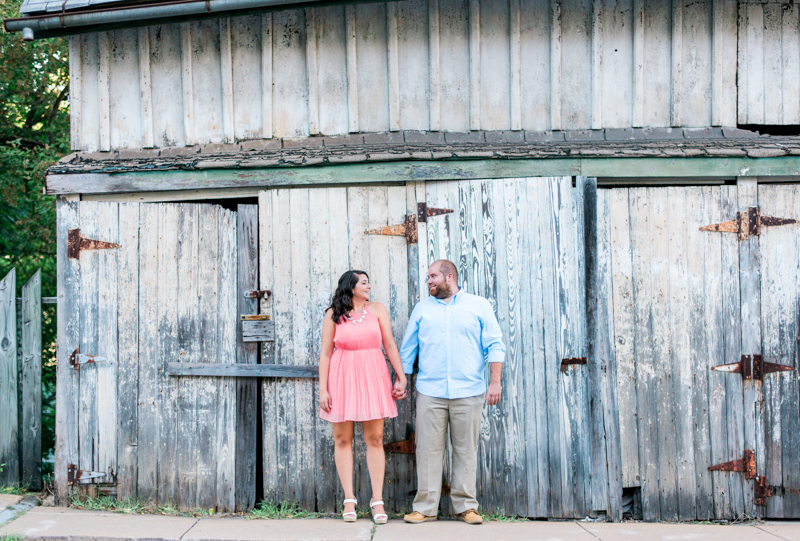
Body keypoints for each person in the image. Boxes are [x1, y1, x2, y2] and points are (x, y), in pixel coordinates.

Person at [399, 260, 504, 525]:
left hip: (469, 391)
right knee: (427, 451)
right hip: (430, 391)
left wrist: (495, 382)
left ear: (449, 276)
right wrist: (401, 379)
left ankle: (467, 507)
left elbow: (495, 344)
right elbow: (408, 349)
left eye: (433, 276)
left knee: (465, 451)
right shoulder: (422, 309)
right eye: (427, 277)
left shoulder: (478, 305)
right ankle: (425, 508)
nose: (429, 281)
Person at [318, 270, 408, 524]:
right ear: (351, 286)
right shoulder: (333, 314)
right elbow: (325, 354)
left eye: (369, 282)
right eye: (364, 283)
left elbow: (389, 344)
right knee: (343, 439)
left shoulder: (377, 309)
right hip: (342, 377)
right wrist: (323, 389)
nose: (369, 286)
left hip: (373, 375)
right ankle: (349, 499)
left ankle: (377, 501)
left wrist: (400, 376)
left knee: (376, 439)